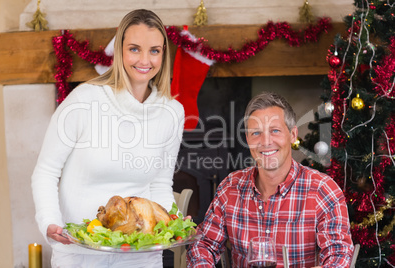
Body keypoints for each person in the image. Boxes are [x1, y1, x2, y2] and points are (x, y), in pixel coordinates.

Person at [31, 9, 184, 268]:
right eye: (134, 49)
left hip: (140, 254)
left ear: (164, 54)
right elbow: (45, 171)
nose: (145, 60)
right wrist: (50, 222)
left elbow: (160, 183)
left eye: (155, 50)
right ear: (119, 50)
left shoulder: (172, 112)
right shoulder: (83, 100)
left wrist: (175, 221)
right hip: (81, 253)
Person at [186, 92, 354, 268]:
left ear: (293, 134)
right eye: (256, 133)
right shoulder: (231, 187)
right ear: (248, 139)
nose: (265, 142)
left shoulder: (322, 189)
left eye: (275, 130)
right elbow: (203, 245)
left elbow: (338, 255)